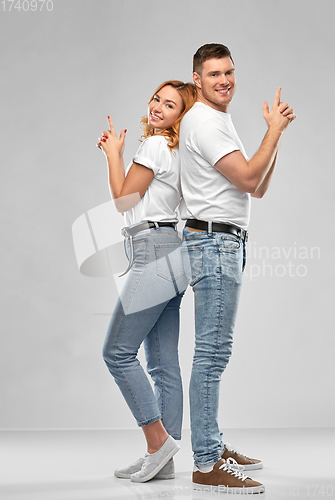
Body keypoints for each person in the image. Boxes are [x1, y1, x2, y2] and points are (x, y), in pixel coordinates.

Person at [179, 43, 296, 494]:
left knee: (213, 352)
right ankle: (207, 462)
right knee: (211, 354)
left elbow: (256, 189)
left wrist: (274, 135)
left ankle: (213, 444)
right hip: (213, 242)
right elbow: (249, 177)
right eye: (214, 74)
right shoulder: (206, 122)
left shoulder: (218, 120)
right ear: (198, 80)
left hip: (223, 240)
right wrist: (273, 131)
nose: (224, 80)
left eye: (229, 72)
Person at [97, 80, 196, 483]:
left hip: (153, 248)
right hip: (173, 248)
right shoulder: (177, 152)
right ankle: (163, 461)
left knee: (117, 353)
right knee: (162, 361)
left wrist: (113, 155)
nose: (157, 107)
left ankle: (158, 444)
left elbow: (123, 200)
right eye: (157, 98)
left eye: (169, 105)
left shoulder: (156, 146)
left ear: (181, 117)